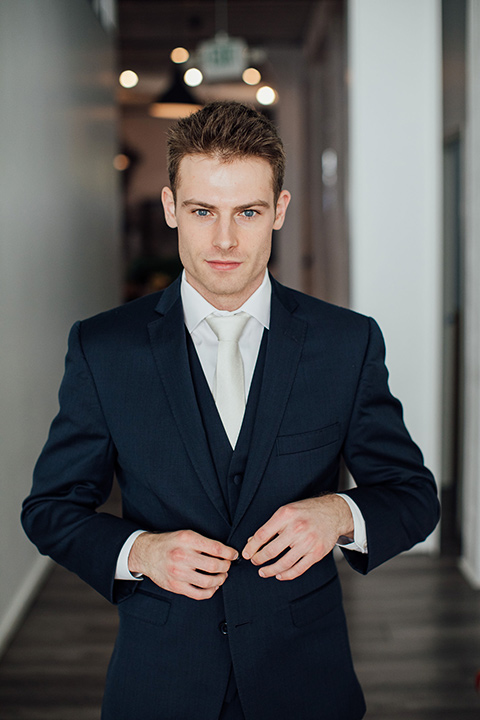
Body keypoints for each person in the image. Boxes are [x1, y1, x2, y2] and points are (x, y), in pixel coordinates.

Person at [22, 101, 440, 720]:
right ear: (170, 208)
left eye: (247, 212)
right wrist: (141, 552)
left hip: (305, 678)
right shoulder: (102, 348)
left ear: (280, 210)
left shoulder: (346, 342)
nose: (224, 240)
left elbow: (414, 494)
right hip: (159, 680)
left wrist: (338, 514)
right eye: (201, 211)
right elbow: (50, 510)